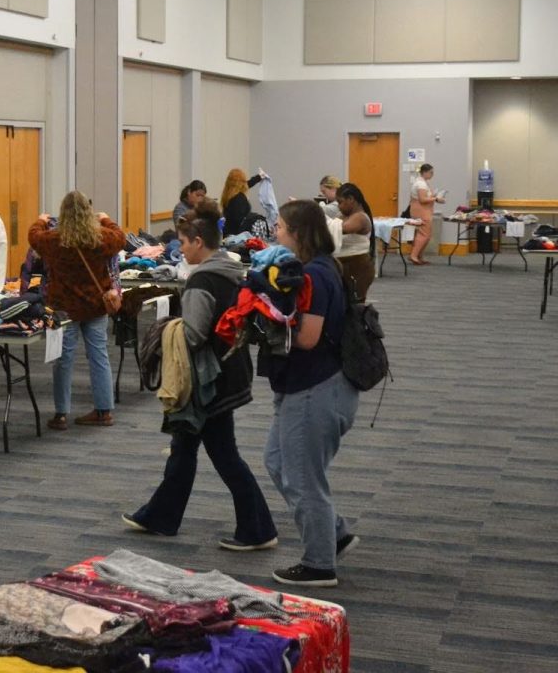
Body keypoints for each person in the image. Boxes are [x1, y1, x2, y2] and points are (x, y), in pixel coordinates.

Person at [123, 199, 278, 549]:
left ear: (197, 241)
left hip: (209, 382)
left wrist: (165, 330)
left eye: (183, 242)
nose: (180, 249)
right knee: (184, 447)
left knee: (223, 455)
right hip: (231, 370)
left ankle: (258, 529)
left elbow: (192, 336)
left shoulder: (201, 282)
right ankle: (160, 517)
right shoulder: (232, 271)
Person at [263, 201, 360, 587]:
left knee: (304, 478)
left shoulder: (316, 276)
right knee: (278, 462)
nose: (276, 233)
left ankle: (319, 564)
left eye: (281, 227)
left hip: (317, 388)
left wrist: (267, 315)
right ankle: (334, 533)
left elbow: (307, 337)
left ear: (298, 233)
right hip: (310, 385)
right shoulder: (317, 269)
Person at [28, 192, 125, 429]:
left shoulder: (54, 239)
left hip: (65, 308)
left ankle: (61, 414)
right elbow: (121, 238)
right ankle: (104, 411)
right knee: (99, 356)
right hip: (95, 305)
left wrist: (41, 220)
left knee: (63, 360)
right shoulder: (101, 238)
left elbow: (33, 237)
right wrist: (106, 220)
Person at [333, 183, 375, 303]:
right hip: (345, 266)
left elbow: (343, 228)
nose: (338, 207)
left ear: (351, 199)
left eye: (340, 202)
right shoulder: (343, 216)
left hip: (357, 267)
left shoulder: (360, 217)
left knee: (354, 306)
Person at [408, 163, 445, 265]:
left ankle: (419, 256)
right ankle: (414, 255)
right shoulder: (421, 184)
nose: (432, 174)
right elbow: (423, 199)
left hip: (424, 211)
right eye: (431, 172)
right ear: (424, 172)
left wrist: (434, 196)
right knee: (424, 235)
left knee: (426, 235)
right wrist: (436, 198)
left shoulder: (423, 182)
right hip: (421, 211)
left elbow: (425, 197)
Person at [219, 168, 264, 237]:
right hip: (238, 236)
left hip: (227, 233)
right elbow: (240, 221)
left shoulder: (227, 195)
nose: (245, 183)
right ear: (241, 182)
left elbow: (247, 184)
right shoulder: (239, 198)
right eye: (243, 181)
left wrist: (258, 177)